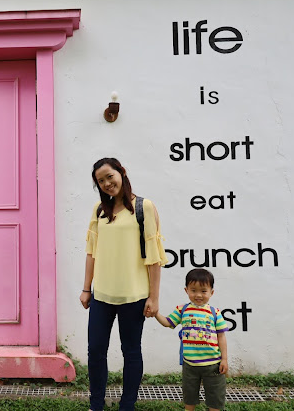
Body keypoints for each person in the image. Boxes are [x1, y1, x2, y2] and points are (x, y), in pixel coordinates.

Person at [81, 157, 168, 411]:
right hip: (102, 296)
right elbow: (91, 252)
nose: (107, 183)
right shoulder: (99, 210)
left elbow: (154, 256)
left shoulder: (144, 207)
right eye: (101, 181)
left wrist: (154, 297)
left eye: (110, 176)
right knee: (95, 351)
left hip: (134, 296)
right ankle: (96, 404)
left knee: (131, 352)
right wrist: (87, 288)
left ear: (122, 172)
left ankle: (126, 406)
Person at [153, 268, 229, 411]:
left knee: (215, 399)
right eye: (193, 290)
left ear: (211, 292)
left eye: (203, 291)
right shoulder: (182, 310)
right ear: (186, 290)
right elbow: (168, 322)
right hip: (190, 365)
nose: (198, 295)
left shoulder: (215, 313)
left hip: (213, 365)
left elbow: (221, 336)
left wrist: (224, 359)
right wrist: (156, 313)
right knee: (189, 398)